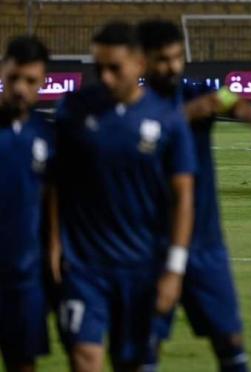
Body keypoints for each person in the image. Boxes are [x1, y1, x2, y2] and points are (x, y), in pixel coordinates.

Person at [137, 20, 251, 371]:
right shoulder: (129, 106)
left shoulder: (195, 91)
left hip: (205, 244)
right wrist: (185, 115)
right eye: (162, 59)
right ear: (141, 61)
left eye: (177, 58)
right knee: (145, 345)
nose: (172, 67)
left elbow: (232, 102)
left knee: (230, 341)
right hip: (149, 245)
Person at [51, 22, 196, 371]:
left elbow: (183, 196)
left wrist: (175, 270)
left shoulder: (167, 120)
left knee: (133, 362)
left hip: (143, 266)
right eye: (98, 68)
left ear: (139, 65)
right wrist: (53, 244)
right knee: (84, 357)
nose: (105, 77)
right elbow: (56, 182)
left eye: (114, 68)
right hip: (84, 265)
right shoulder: (74, 109)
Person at [0, 36, 53, 372]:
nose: (20, 88)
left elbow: (55, 199)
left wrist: (56, 252)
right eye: (13, 78)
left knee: (23, 364)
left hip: (24, 276)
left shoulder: (46, 135)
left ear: (42, 82)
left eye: (30, 81)